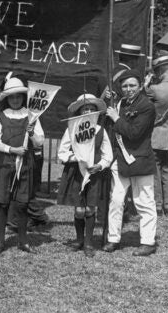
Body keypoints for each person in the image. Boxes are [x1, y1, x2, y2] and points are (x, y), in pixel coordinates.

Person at [103, 70, 158, 256]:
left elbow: (135, 133)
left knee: (144, 202)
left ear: (140, 85)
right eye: (125, 86)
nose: (128, 89)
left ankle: (148, 242)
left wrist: (116, 118)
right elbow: (109, 126)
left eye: (132, 85)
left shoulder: (147, 106)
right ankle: (113, 238)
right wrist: (107, 103)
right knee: (116, 201)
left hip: (140, 159)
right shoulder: (119, 104)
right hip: (120, 160)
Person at [0, 76, 44, 254]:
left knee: (22, 204)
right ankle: (0, 242)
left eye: (18, 96)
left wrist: (32, 133)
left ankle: (23, 240)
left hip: (25, 164)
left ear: (23, 97)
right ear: (7, 99)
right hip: (6, 164)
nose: (15, 100)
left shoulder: (31, 115)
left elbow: (40, 142)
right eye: (12, 97)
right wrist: (12, 149)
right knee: (3, 203)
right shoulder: (0, 117)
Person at [57, 94, 112, 257]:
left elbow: (107, 155)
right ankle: (79, 239)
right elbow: (61, 153)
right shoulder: (71, 129)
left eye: (91, 109)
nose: (88, 111)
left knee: (90, 208)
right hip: (76, 173)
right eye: (85, 109)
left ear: (96, 112)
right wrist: (76, 158)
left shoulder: (100, 130)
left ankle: (88, 242)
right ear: (79, 111)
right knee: (79, 210)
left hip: (93, 174)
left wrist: (100, 165)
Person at [145, 56, 168, 216]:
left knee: (155, 171)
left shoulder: (154, 89)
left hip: (156, 136)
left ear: (160, 69)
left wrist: (146, 84)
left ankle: (157, 205)